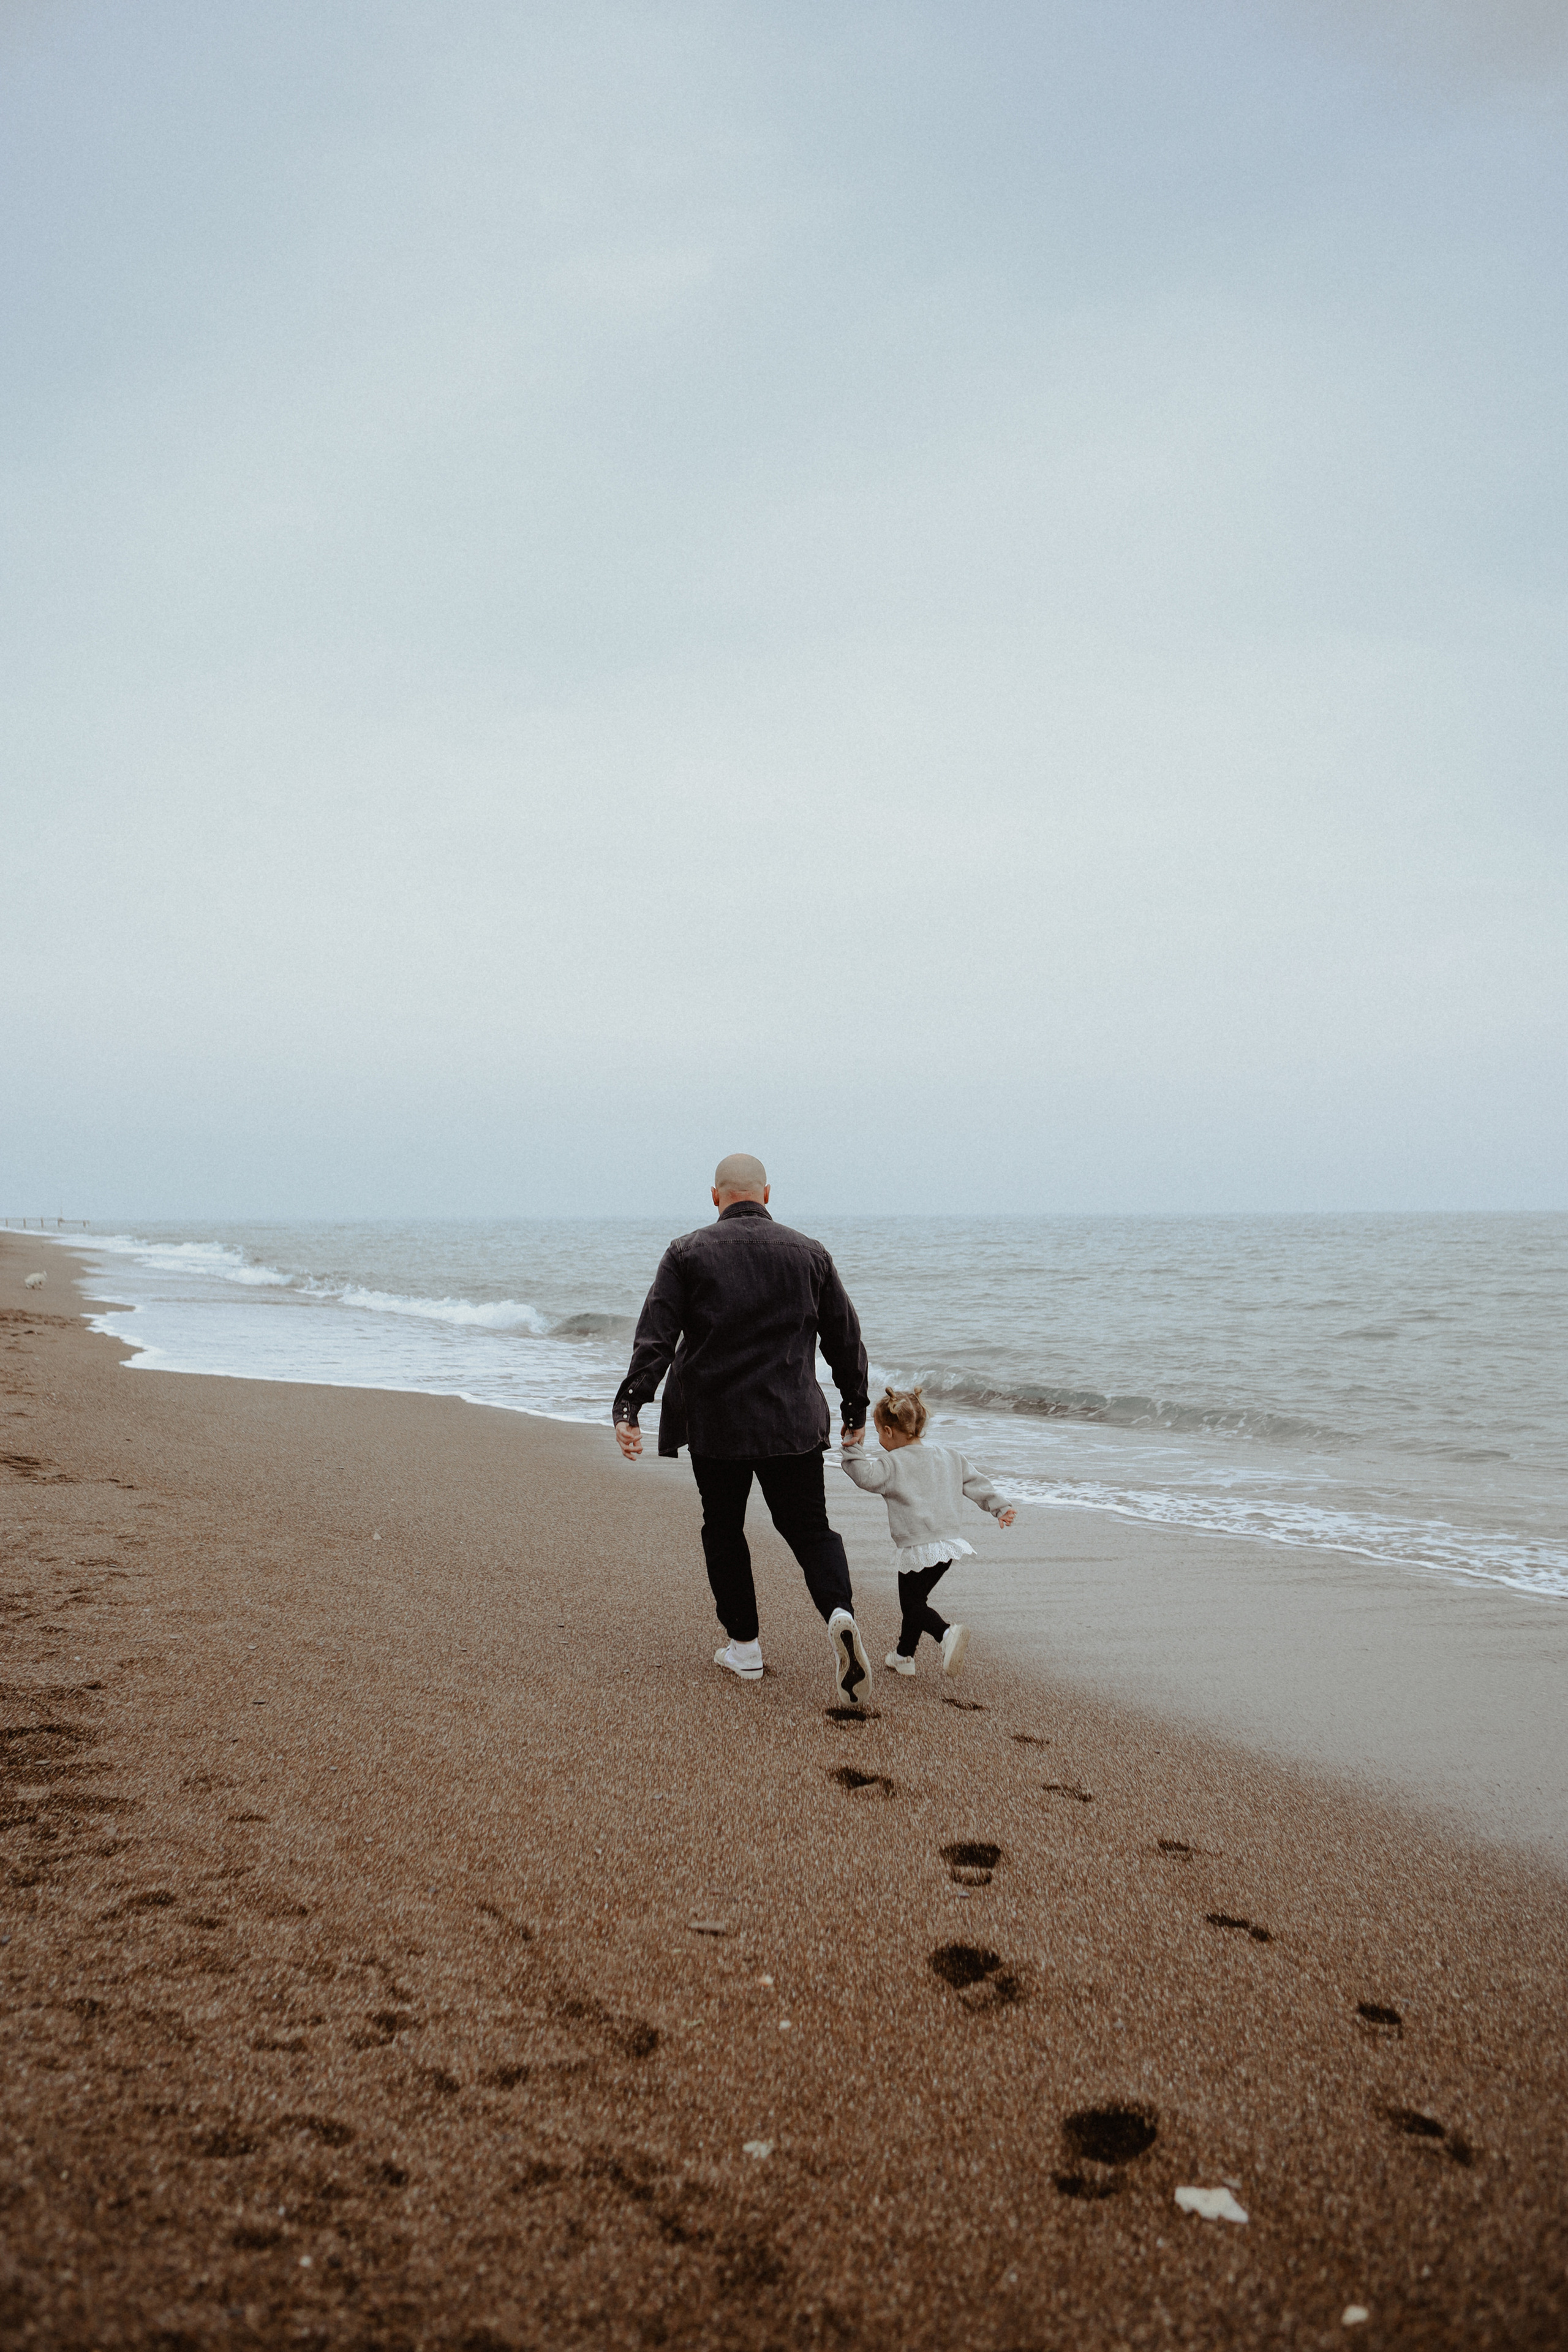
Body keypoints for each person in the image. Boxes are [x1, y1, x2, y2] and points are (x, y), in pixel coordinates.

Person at [612, 1153, 875, 1706]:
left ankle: (745, 1647)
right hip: (792, 1421)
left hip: (718, 1422)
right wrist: (855, 1411)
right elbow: (845, 1342)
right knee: (810, 1530)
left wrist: (631, 1407)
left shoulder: (686, 1252)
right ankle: (840, 1613)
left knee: (724, 1529)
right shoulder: (810, 1253)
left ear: (715, 1196)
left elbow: (656, 1336)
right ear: (767, 1193)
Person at [839, 1385, 1016, 1678]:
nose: (880, 1439)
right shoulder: (949, 1456)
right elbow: (975, 1482)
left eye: (879, 1433)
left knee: (912, 1605)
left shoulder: (892, 1463)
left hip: (917, 1547)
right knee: (915, 1602)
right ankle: (904, 1655)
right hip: (948, 1546)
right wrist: (1000, 1507)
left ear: (888, 1430)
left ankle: (946, 1634)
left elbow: (864, 1477)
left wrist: (851, 1444)